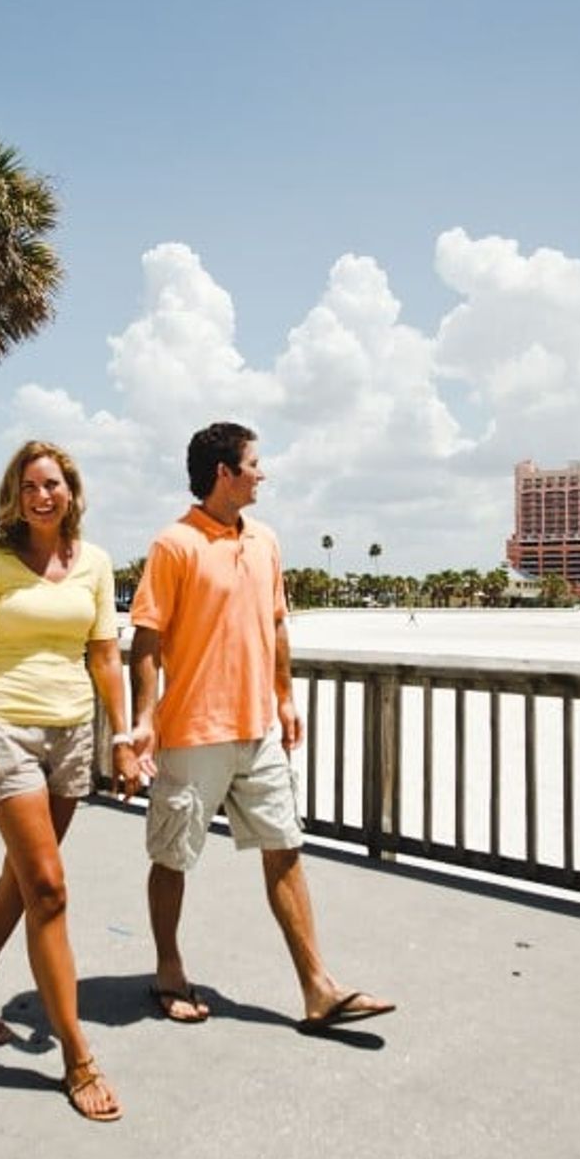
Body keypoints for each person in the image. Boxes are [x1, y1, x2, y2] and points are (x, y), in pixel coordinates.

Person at [129, 421, 394, 1031]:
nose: (262, 473)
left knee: (286, 850)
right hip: (194, 731)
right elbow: (147, 637)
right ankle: (169, 971)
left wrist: (285, 699)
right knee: (173, 858)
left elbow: (276, 624)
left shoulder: (267, 541)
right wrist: (144, 718)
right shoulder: (174, 544)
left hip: (258, 730)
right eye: (254, 463)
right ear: (224, 473)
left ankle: (318, 988)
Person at [0, 440, 145, 1122]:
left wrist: (121, 737)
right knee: (51, 889)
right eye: (30, 485)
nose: (42, 495)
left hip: (72, 736)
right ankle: (78, 1057)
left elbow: (106, 655)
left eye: (53, 484)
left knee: (24, 880)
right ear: (14, 494)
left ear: (71, 491)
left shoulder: (93, 563)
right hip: (6, 730)